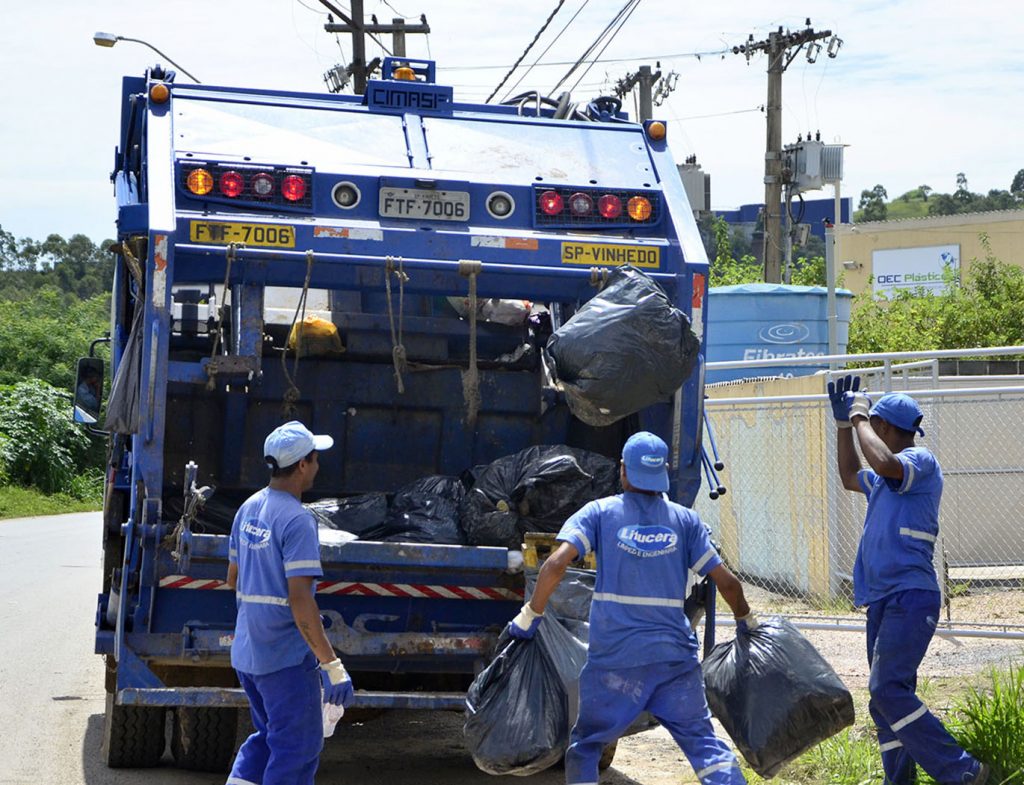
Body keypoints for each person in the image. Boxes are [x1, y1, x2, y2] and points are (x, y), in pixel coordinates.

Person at [509, 431, 754, 785]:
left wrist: (530, 616)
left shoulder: (599, 513)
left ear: (623, 470)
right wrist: (747, 621)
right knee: (705, 745)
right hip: (675, 663)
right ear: (662, 474)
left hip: (615, 664)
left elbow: (556, 565)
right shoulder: (685, 521)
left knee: (587, 744)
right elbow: (728, 584)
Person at [828, 376, 989, 785]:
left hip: (911, 597)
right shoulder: (882, 482)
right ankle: (899, 780)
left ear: (883, 428)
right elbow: (851, 475)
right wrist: (843, 427)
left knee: (887, 691)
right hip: (883, 599)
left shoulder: (920, 463)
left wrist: (859, 414)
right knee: (884, 703)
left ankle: (964, 772)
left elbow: (882, 462)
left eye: (872, 427)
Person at [225, 420, 354, 785]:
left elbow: (232, 578)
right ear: (302, 465)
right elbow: (301, 601)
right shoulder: (297, 521)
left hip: (249, 653)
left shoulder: (247, 508)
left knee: (268, 740)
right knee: (297, 748)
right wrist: (332, 665)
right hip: (283, 658)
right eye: (315, 458)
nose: (317, 465)